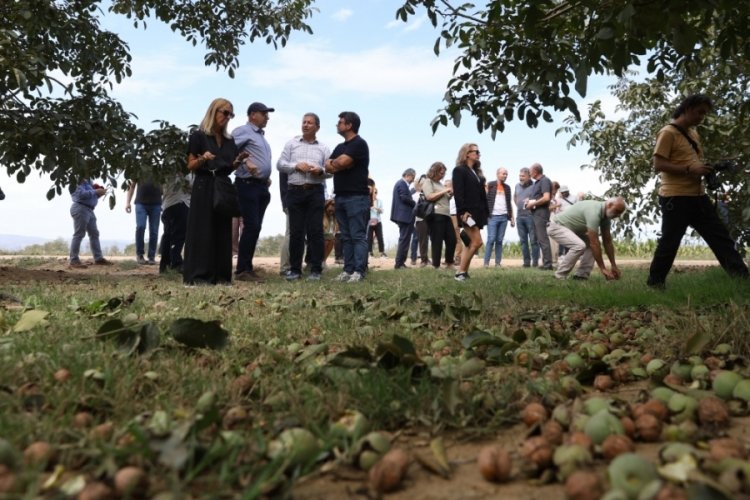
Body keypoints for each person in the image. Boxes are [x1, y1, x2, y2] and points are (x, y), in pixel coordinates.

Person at [646, 94, 749, 289]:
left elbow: (690, 162)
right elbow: (658, 164)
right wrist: (689, 169)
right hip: (675, 198)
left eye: (705, 113)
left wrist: (703, 168)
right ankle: (655, 284)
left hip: (698, 196)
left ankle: (743, 280)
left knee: (720, 237)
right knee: (670, 242)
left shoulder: (693, 134)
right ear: (687, 108)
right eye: (699, 112)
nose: (702, 117)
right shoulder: (668, 132)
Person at [183, 97, 248, 286]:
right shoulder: (198, 136)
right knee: (203, 230)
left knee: (222, 231)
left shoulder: (229, 141)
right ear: (214, 111)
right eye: (225, 112)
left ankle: (221, 276)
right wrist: (203, 158)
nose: (228, 117)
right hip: (204, 186)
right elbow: (190, 165)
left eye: (231, 114)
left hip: (222, 186)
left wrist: (237, 162)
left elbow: (227, 168)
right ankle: (199, 276)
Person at [277, 112, 331, 281]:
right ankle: (295, 269)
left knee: (316, 231)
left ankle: (315, 269)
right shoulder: (291, 144)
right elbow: (280, 164)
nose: (305, 125)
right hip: (295, 191)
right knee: (296, 232)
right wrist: (295, 165)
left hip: (315, 192)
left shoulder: (323, 148)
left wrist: (320, 171)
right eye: (304, 122)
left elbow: (330, 171)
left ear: (317, 127)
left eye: (309, 123)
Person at [324, 111, 370, 283]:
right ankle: (348, 270)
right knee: (346, 236)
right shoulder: (339, 147)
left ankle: (359, 271)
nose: (337, 124)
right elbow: (328, 166)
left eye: (340, 122)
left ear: (349, 125)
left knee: (357, 236)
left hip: (357, 197)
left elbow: (339, 163)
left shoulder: (359, 144)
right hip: (341, 197)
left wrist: (337, 164)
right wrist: (337, 164)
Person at [232, 101, 275, 283]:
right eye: (264, 113)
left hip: (261, 187)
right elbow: (228, 151)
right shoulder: (243, 131)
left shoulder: (261, 136)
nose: (267, 117)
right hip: (247, 185)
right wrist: (244, 163)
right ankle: (242, 270)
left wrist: (265, 177)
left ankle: (247, 267)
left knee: (255, 228)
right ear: (253, 115)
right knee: (252, 226)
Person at [548, 197, 626, 280]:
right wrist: (603, 269)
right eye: (617, 211)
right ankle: (559, 275)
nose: (618, 215)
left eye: (620, 213)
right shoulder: (594, 212)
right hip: (556, 226)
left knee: (591, 246)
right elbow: (594, 243)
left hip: (572, 230)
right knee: (580, 245)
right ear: (609, 205)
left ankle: (581, 275)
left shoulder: (606, 217)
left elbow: (607, 242)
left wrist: (613, 265)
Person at [452, 143, 488, 281]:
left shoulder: (476, 172)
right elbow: (459, 193)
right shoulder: (459, 170)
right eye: (476, 152)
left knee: (469, 243)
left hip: (478, 212)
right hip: (467, 213)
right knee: (477, 242)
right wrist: (462, 212)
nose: (479, 154)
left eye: (479, 152)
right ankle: (460, 272)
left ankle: (463, 273)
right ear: (467, 153)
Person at [68, 179, 113, 268]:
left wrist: (98, 193)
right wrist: (96, 191)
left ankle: (98, 258)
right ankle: (74, 260)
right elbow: (80, 195)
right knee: (79, 234)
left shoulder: (89, 181)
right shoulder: (77, 179)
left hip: (89, 209)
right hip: (80, 207)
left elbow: (90, 195)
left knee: (94, 233)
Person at [422, 161, 456, 269]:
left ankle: (449, 262)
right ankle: (436, 265)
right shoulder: (428, 182)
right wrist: (444, 191)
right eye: (441, 173)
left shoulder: (440, 184)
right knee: (437, 240)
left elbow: (443, 198)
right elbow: (429, 197)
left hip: (446, 214)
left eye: (444, 173)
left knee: (452, 239)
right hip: (436, 214)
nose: (443, 175)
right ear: (435, 171)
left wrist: (450, 195)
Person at [125, 178, 162, 265]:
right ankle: (140, 255)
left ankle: (151, 257)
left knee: (154, 230)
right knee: (140, 227)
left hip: (156, 204)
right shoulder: (138, 168)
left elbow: (164, 187)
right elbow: (132, 186)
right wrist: (128, 202)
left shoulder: (159, 169)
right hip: (141, 203)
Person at [159, 174, 191, 274]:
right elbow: (189, 185)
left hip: (167, 205)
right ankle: (176, 263)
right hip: (179, 203)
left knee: (167, 235)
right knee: (178, 236)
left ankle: (164, 265)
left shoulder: (165, 169)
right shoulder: (182, 168)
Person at [483, 167, 514, 267]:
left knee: (499, 240)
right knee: (491, 239)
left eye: (506, 174)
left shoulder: (507, 188)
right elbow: (484, 198)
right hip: (492, 217)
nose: (505, 176)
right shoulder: (490, 185)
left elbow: (509, 203)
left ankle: (497, 263)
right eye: (503, 174)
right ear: (497, 174)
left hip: (504, 217)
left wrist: (512, 218)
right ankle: (486, 263)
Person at [527, 163, 554, 270]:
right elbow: (538, 197)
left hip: (541, 213)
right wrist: (529, 201)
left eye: (530, 171)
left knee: (543, 239)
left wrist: (532, 204)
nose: (529, 173)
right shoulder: (536, 183)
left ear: (535, 171)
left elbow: (546, 198)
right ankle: (545, 263)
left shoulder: (545, 181)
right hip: (535, 213)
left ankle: (548, 265)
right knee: (539, 238)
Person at [391, 168, 416, 269]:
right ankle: (399, 263)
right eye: (413, 177)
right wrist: (414, 203)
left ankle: (401, 263)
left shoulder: (402, 184)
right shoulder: (401, 183)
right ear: (408, 175)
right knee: (404, 240)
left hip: (404, 216)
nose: (413, 180)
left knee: (405, 239)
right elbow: (404, 197)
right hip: (404, 216)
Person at [514, 167, 539, 267]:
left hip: (531, 216)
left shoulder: (535, 186)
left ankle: (535, 262)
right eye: (520, 176)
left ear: (529, 176)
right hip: (519, 217)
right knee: (523, 241)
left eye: (523, 176)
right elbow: (515, 197)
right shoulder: (517, 186)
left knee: (533, 240)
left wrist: (531, 201)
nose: (521, 178)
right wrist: (519, 205)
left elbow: (539, 198)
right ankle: (526, 262)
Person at [410, 175, 430, 267]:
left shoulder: (425, 194)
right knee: (420, 240)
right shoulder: (416, 195)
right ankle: (420, 259)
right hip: (419, 220)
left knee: (424, 240)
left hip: (425, 220)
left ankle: (424, 258)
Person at [556, 185, 577, 257]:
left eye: (565, 192)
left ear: (568, 191)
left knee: (571, 236)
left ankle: (570, 253)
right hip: (562, 220)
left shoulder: (574, 197)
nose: (564, 194)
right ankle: (561, 253)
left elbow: (578, 207)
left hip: (572, 219)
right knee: (562, 236)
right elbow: (557, 211)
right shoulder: (559, 199)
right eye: (562, 193)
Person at [368, 187, 386, 257]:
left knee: (380, 237)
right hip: (370, 221)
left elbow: (382, 211)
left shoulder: (379, 201)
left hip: (378, 221)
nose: (374, 194)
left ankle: (382, 252)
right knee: (369, 237)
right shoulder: (368, 201)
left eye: (376, 192)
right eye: (373, 193)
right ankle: (369, 252)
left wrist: (377, 208)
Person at [323, 198, 337, 263]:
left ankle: (324, 261)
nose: (331, 209)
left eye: (333, 206)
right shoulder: (322, 216)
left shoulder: (334, 218)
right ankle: (321, 260)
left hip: (329, 236)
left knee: (332, 240)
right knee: (326, 241)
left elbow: (335, 230)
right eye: (330, 206)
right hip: (321, 237)